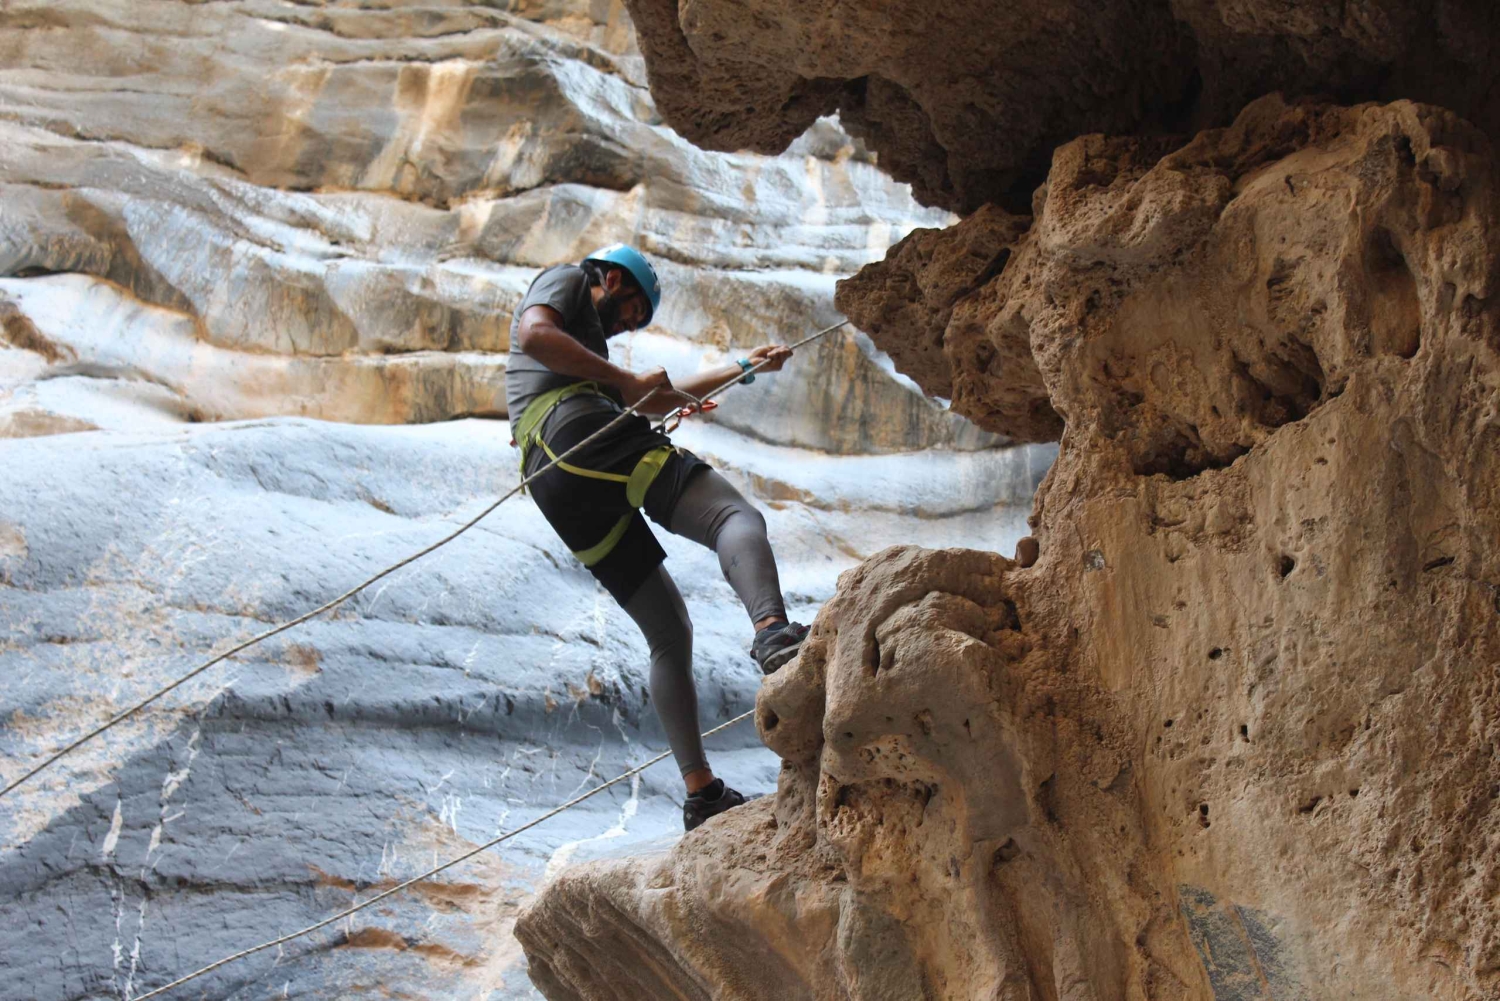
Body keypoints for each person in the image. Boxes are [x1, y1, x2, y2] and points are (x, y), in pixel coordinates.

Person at [506, 244, 809, 831]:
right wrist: (622, 379)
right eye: (630, 310)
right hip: (578, 429)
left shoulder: (588, 362)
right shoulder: (569, 279)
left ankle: (702, 794)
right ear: (612, 277)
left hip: (553, 481)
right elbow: (536, 336)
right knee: (732, 516)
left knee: (669, 631)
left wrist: (743, 367)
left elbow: (655, 397)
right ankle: (773, 632)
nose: (626, 325)